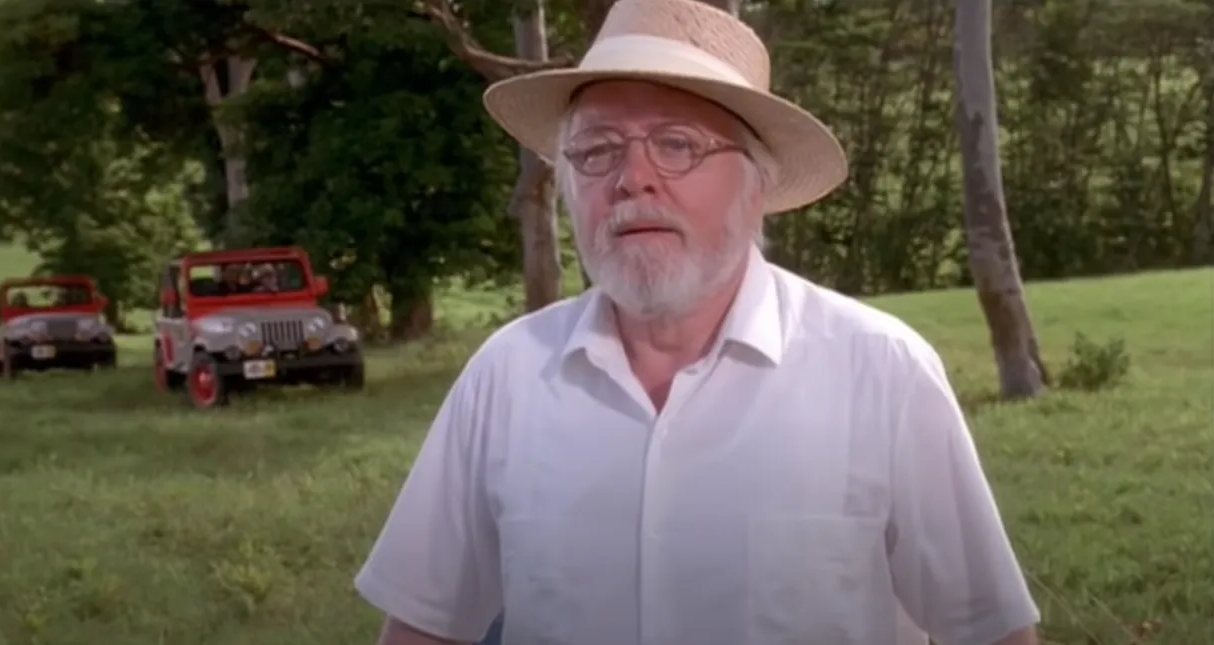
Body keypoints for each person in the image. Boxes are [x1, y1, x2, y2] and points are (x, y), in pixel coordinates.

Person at [353, 0, 1043, 643]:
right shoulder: (507, 376)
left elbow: (989, 631)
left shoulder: (881, 372)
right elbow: (423, 627)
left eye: (678, 144)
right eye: (596, 150)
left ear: (757, 185)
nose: (632, 178)